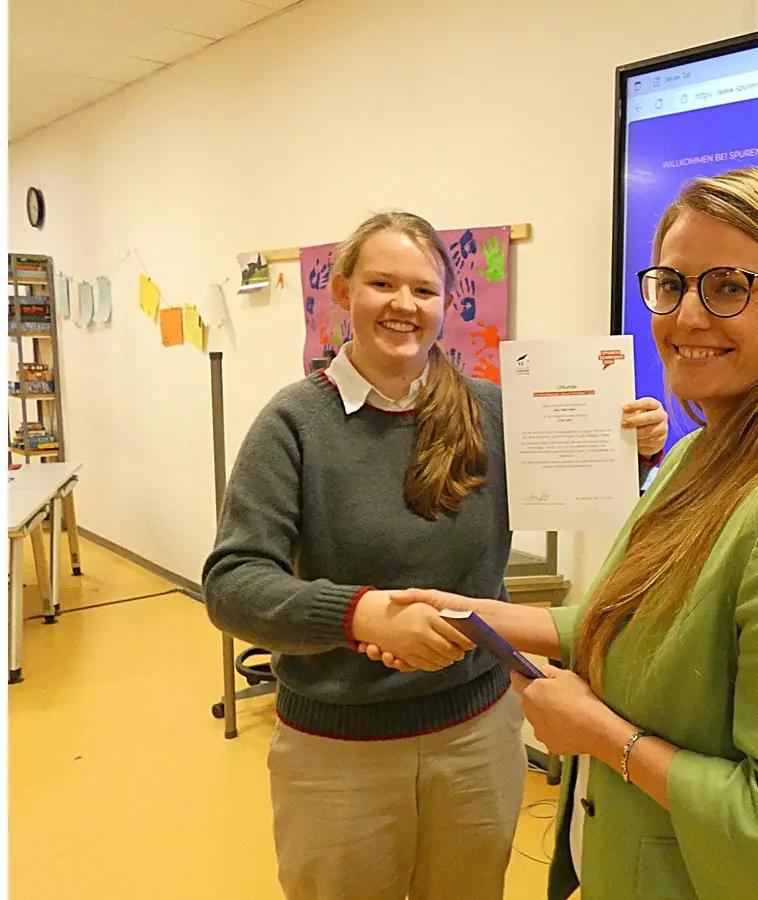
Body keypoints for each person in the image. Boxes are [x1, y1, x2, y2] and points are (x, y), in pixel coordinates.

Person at [362, 168, 758, 900]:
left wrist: (603, 736)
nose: (686, 316)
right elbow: (645, 628)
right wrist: (476, 616)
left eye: (728, 287)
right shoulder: (700, 457)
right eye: (671, 284)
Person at [202, 210, 669, 900]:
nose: (404, 304)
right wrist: (360, 615)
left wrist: (633, 450)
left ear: (445, 304)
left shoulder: (493, 411)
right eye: (382, 284)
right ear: (343, 293)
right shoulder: (293, 423)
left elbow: (575, 488)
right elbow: (233, 583)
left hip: (475, 736)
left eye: (423, 290)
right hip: (338, 754)